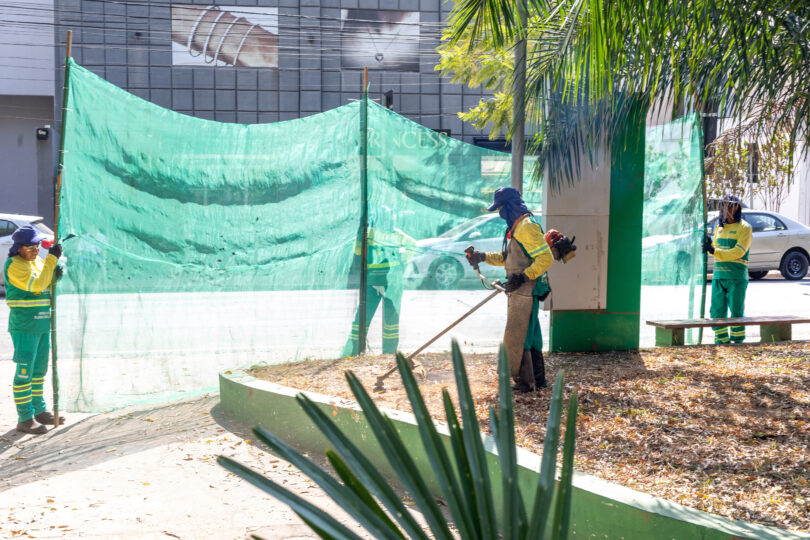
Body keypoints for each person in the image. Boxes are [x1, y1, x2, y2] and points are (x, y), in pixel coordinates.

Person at [466, 187, 554, 393]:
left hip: (527, 289)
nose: (500, 212)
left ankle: (526, 381)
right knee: (530, 335)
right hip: (521, 289)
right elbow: (510, 258)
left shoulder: (526, 227)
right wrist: (483, 257)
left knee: (518, 335)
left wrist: (523, 277)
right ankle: (537, 380)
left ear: (510, 206)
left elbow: (546, 258)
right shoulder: (518, 227)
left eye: (501, 207)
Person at [5, 226, 65, 434]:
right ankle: (25, 418)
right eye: (29, 246)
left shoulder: (38, 262)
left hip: (42, 324)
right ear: (18, 248)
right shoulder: (14, 265)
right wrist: (51, 260)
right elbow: (39, 283)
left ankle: (39, 410)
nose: (35, 249)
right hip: (25, 326)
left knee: (39, 371)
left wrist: (57, 270)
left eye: (38, 245)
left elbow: (48, 282)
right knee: (24, 372)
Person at [342, 207, 415, 356]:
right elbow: (412, 244)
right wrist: (403, 262)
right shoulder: (396, 235)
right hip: (392, 282)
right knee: (391, 318)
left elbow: (357, 251)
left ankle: (354, 350)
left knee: (363, 316)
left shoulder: (368, 234)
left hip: (373, 280)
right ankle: (389, 352)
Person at [703, 195, 752, 344]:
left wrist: (713, 251)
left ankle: (737, 341)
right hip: (719, 275)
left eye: (731, 206)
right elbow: (717, 249)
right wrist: (709, 246)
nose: (727, 209)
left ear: (738, 208)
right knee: (717, 310)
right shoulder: (719, 227)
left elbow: (738, 252)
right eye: (724, 206)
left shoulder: (745, 228)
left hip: (736, 276)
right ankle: (721, 340)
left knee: (736, 310)